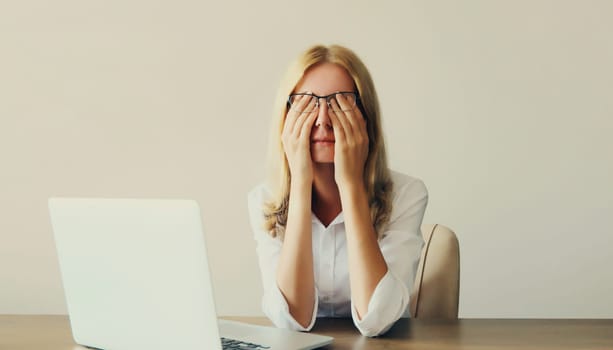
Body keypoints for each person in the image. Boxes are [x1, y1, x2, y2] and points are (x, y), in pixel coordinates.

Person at [247, 44, 428, 337]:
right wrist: (301, 182)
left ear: (366, 117)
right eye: (306, 104)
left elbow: (377, 319)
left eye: (340, 104)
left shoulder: (407, 194)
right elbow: (292, 320)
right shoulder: (263, 200)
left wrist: (351, 184)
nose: (322, 121)